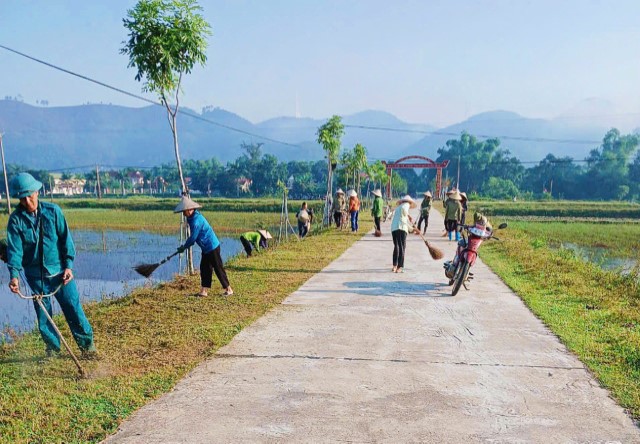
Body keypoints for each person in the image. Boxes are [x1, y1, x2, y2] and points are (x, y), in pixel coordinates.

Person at [6, 173, 97, 359]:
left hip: (60, 273)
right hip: (35, 276)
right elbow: (14, 251)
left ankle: (87, 348)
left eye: (30, 195)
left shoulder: (53, 212)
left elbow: (66, 241)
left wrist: (69, 266)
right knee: (44, 316)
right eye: (22, 197)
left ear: (37, 192)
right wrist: (14, 276)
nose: (27, 200)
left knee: (73, 308)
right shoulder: (15, 220)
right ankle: (53, 351)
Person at [175, 195, 233, 297]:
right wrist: (184, 246)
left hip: (212, 246)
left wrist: (184, 247)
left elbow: (193, 238)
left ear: (190, 209)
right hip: (205, 248)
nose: (184, 213)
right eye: (183, 211)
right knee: (205, 268)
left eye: (185, 211)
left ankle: (229, 289)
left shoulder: (197, 220)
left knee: (218, 267)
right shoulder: (191, 218)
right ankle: (203, 291)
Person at [390, 195, 416, 273]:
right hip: (401, 228)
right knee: (402, 247)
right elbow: (404, 214)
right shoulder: (406, 205)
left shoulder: (398, 207)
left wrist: (408, 216)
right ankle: (400, 267)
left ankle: (394, 266)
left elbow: (401, 218)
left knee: (396, 246)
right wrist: (412, 229)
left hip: (394, 228)